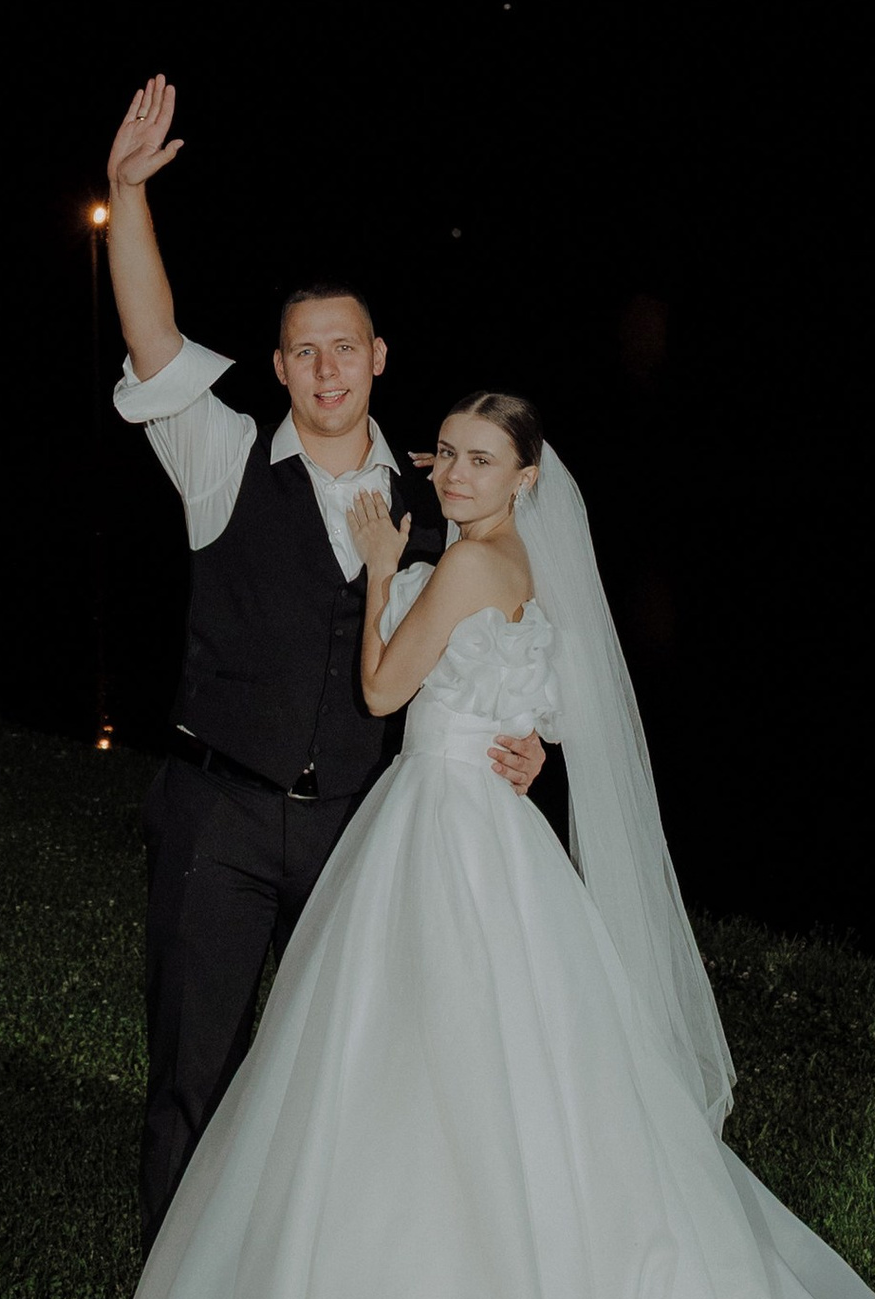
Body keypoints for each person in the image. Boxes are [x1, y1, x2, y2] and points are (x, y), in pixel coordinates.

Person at [107, 387, 875, 1299]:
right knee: (500, 1067)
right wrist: (526, 752)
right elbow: (540, 708)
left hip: (438, 826)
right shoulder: (526, 571)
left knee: (396, 1061)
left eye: (479, 460)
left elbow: (378, 686)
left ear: (525, 478)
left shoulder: (458, 565)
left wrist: (374, 572)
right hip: (491, 830)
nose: (452, 475)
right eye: (445, 453)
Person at [103, 75, 548, 1234]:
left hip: (360, 832)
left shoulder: (439, 499)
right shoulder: (221, 460)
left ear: (379, 356)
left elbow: (501, 637)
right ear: (281, 366)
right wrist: (126, 197)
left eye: (344, 348)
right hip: (218, 817)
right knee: (192, 1077)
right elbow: (152, 341)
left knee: (332, 1090)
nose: (326, 368)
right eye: (304, 353)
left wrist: (528, 742)